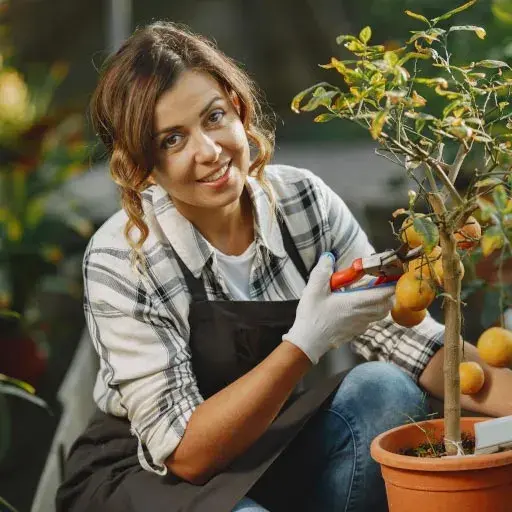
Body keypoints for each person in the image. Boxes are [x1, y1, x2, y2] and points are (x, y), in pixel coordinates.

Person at [56, 21, 512, 512]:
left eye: (213, 117)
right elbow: (185, 455)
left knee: (383, 390)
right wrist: (306, 342)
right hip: (149, 479)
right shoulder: (125, 255)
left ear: (238, 106)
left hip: (265, 452)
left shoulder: (302, 203)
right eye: (171, 140)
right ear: (143, 165)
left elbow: (412, 342)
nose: (209, 151)